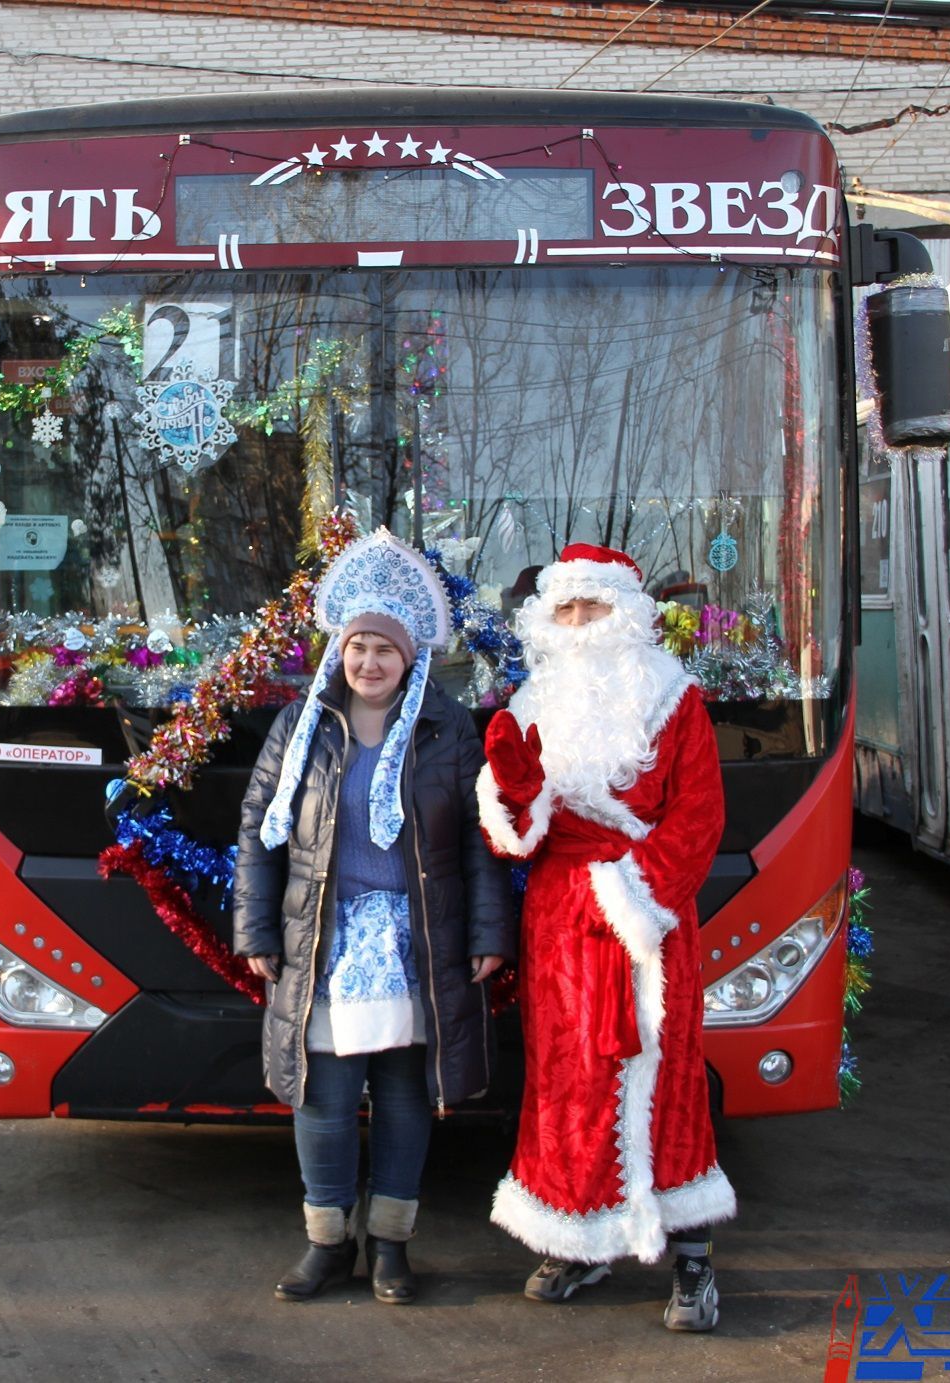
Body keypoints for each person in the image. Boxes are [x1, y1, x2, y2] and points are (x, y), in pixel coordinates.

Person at [234, 528, 514, 1306]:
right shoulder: (300, 727)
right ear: (340, 649)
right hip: (322, 938)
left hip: (416, 939)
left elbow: (480, 839)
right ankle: (327, 1242)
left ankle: (390, 1244)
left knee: (401, 1091)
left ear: (410, 655)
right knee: (323, 1096)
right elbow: (260, 830)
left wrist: (489, 933)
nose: (369, 663)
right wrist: (256, 931)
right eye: (358, 646)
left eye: (384, 650)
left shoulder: (446, 729)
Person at [475, 542, 733, 1332]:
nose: (580, 622)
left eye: (593, 606)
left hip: (648, 923)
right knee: (567, 1084)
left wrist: (633, 896)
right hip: (558, 927)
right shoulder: (527, 703)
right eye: (566, 609)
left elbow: (700, 818)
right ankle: (578, 1238)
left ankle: (692, 1263)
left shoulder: (675, 699)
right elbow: (510, 838)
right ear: (548, 618)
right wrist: (516, 799)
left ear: (625, 612)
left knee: (668, 1080)